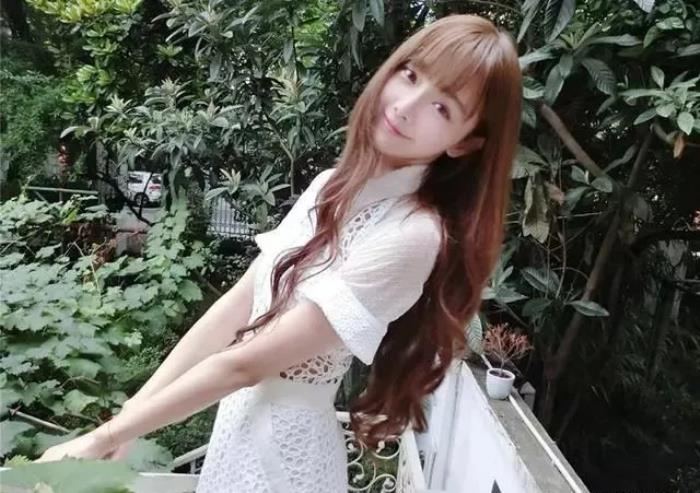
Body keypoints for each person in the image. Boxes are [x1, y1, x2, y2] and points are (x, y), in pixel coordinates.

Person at [36, 13, 522, 493]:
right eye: (410, 75)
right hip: (235, 442)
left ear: (465, 143)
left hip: (287, 466)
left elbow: (246, 364)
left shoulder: (414, 236)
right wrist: (130, 419)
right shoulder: (329, 187)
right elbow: (237, 305)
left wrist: (102, 437)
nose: (406, 106)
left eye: (442, 108)